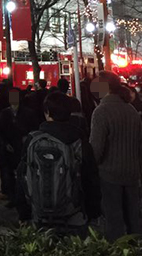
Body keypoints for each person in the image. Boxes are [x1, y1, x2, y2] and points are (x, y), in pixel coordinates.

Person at [18, 93, 101, 233]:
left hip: (39, 215)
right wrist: (94, 212)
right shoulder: (79, 141)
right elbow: (91, 180)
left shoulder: (33, 140)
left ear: (47, 112)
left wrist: (23, 213)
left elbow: (22, 177)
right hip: (74, 215)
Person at [89, 72, 142, 240]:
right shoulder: (131, 109)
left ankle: (118, 249)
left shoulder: (101, 111)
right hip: (132, 172)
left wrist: (91, 169)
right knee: (134, 217)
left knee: (114, 219)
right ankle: (138, 248)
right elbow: (140, 146)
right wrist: (139, 169)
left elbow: (96, 149)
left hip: (109, 174)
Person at [0, 87, 23, 202]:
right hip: (8, 146)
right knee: (8, 172)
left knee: (15, 172)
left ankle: (16, 196)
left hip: (17, 146)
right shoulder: (5, 113)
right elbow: (0, 130)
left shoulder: (24, 113)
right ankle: (12, 196)